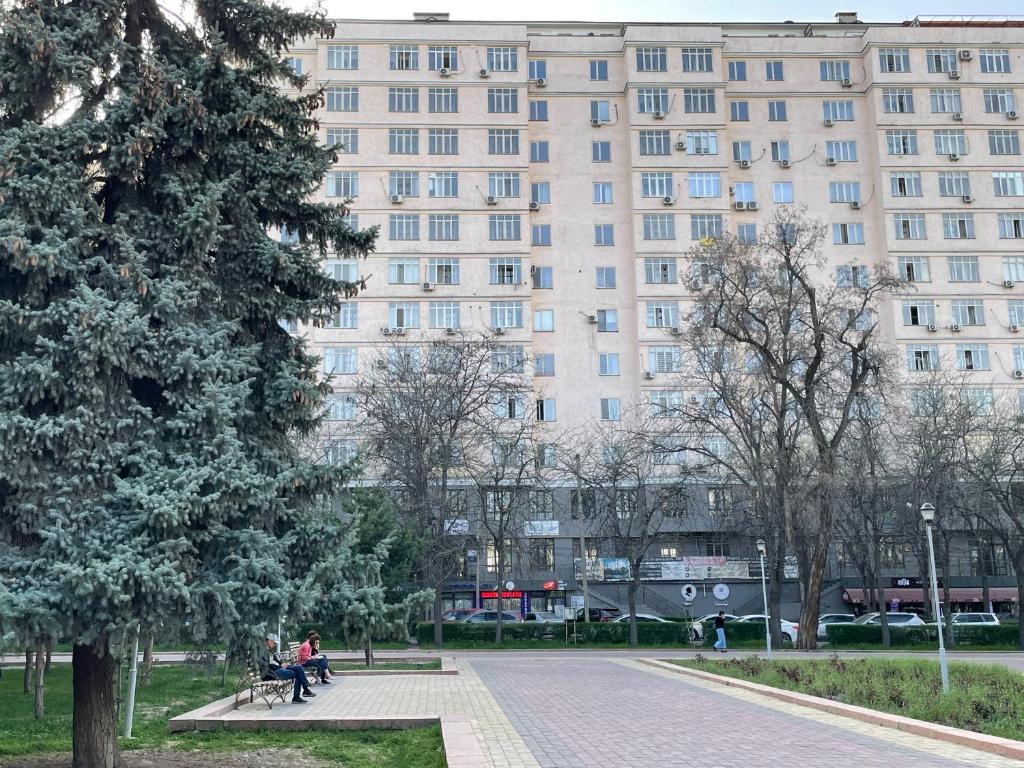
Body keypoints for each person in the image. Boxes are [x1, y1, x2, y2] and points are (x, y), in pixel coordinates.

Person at [261, 633, 317, 703]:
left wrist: (282, 664)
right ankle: (298, 695)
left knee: (299, 667)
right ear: (269, 641)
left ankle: (305, 690)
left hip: (278, 669)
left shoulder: (268, 650)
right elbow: (267, 666)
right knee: (298, 673)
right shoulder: (263, 651)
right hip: (272, 673)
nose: (275, 644)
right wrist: (280, 666)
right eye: (274, 642)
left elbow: (275, 660)